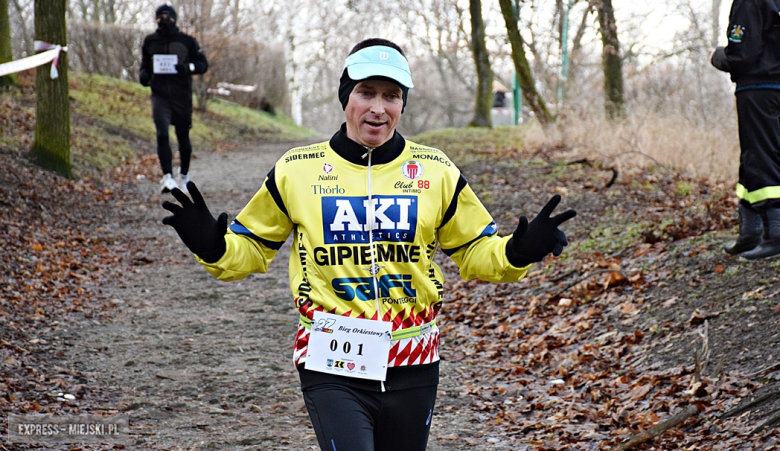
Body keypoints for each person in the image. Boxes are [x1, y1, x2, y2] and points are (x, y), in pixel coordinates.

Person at [161, 38, 576, 451]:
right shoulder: (296, 171)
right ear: (347, 96)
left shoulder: (435, 171)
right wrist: (214, 249)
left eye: (391, 96)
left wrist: (518, 250)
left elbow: (474, 252)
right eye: (366, 92)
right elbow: (250, 250)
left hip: (414, 360)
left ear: (402, 104)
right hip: (330, 359)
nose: (378, 107)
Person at [711, 0, 780, 260]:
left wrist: (717, 56)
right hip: (774, 86)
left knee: (760, 158)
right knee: (760, 156)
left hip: (758, 89)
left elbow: (742, 55)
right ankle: (750, 230)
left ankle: (775, 234)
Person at [139, 4, 208, 194]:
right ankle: (167, 177)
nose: (164, 20)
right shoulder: (150, 41)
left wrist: (188, 68)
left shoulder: (187, 41)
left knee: (183, 136)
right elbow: (144, 67)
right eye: (160, 17)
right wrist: (144, 76)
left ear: (175, 19)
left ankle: (184, 176)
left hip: (181, 96)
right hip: (159, 95)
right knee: (162, 133)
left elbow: (203, 64)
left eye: (168, 17)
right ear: (156, 19)